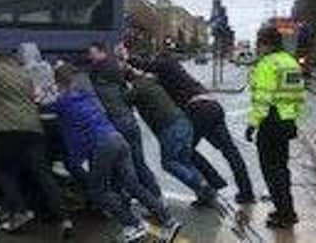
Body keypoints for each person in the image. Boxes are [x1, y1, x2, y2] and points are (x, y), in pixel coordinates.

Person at [48, 63, 181, 243]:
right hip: (117, 138)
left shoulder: (62, 103)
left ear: (58, 83)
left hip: (102, 145)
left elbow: (45, 108)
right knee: (133, 186)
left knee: (98, 191)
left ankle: (133, 225)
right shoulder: (86, 96)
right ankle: (168, 220)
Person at [146, 47, 255, 205]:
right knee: (230, 152)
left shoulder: (167, 64)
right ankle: (246, 193)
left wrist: (128, 59)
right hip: (212, 106)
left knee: (186, 151)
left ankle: (213, 183)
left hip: (198, 110)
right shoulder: (174, 75)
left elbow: (149, 66)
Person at [0, 52, 73, 237]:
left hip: (7, 129)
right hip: (34, 128)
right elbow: (34, 97)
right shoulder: (25, 73)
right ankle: (65, 219)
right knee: (43, 174)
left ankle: (20, 212)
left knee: (3, 171)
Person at [125, 64, 216, 205]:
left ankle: (202, 186)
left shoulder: (136, 88)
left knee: (169, 163)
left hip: (169, 128)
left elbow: (124, 103)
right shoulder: (150, 81)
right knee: (184, 162)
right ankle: (204, 192)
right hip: (184, 123)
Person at [246, 26, 306, 228]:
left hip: (270, 121)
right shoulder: (291, 62)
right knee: (281, 168)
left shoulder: (267, 64)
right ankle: (286, 209)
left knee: (270, 169)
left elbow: (262, 98)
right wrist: (293, 118)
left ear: (266, 43)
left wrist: (253, 124)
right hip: (287, 122)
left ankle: (285, 215)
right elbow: (299, 95)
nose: (258, 47)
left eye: (259, 43)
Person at [86, 42, 162, 199]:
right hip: (130, 121)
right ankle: (157, 196)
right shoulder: (118, 80)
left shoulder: (98, 77)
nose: (90, 57)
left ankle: (127, 198)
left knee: (121, 166)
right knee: (139, 163)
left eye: (92, 53)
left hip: (118, 124)